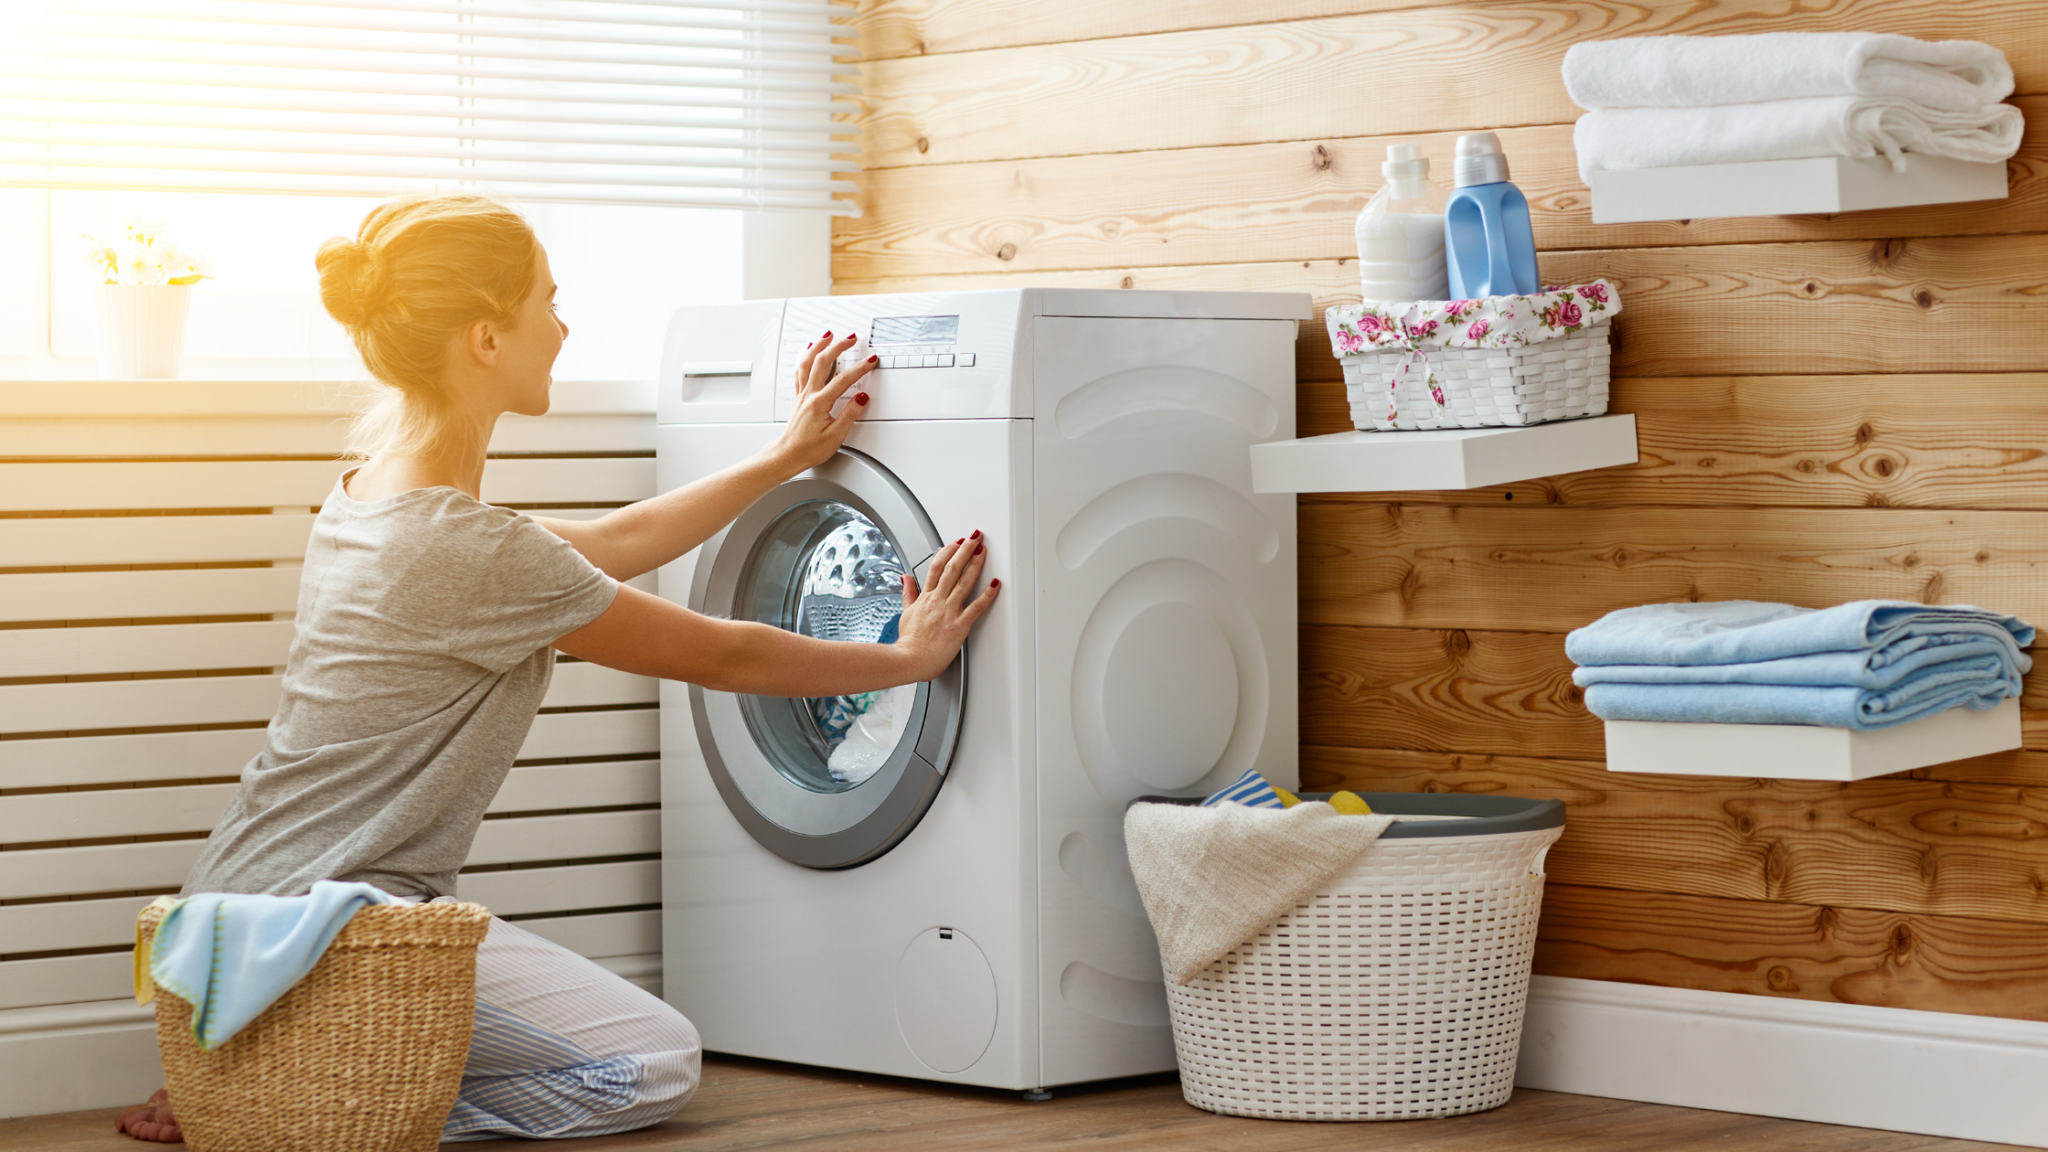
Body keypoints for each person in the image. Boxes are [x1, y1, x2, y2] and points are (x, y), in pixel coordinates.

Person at [116, 194, 998, 1143]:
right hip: (342, 934)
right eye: (549, 301)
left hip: (231, 911)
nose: (564, 327)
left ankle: (266, 1077)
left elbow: (617, 541)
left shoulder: (371, 500)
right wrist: (904, 656)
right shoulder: (471, 547)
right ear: (488, 338)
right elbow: (722, 651)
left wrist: (783, 456)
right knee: (654, 1066)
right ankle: (310, 1099)